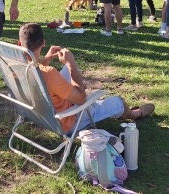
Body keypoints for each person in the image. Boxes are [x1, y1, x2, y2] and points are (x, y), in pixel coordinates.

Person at [18, 23, 154, 132]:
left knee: (65, 71)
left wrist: (47, 58)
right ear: (43, 42)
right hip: (66, 121)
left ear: (19, 44)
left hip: (39, 115)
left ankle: (77, 93)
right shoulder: (49, 74)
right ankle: (134, 114)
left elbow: (36, 72)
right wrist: (71, 63)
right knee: (118, 102)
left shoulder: (15, 67)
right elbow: (81, 99)